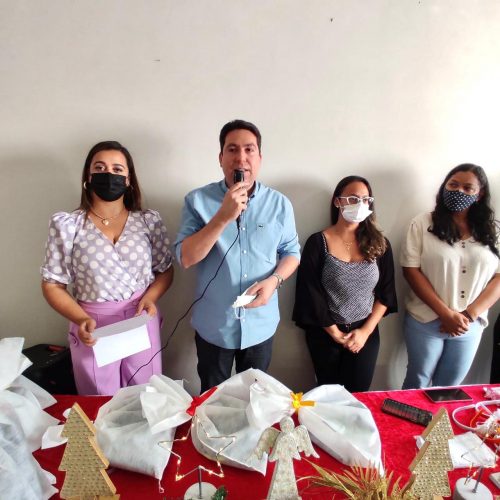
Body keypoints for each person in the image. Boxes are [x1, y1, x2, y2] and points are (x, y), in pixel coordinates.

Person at [175, 119, 300, 393]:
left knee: (254, 399)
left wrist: (275, 280)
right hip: (215, 326)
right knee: (213, 400)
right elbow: (185, 258)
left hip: (261, 324)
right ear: (221, 158)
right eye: (232, 149)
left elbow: (292, 252)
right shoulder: (197, 201)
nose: (241, 158)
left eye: (249, 149)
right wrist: (222, 217)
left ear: (259, 158)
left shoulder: (280, 204)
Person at [41, 141, 174, 395]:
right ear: (88, 177)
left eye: (117, 169)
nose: (109, 174)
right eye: (100, 168)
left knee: (147, 395)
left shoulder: (148, 222)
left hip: (139, 319)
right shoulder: (69, 226)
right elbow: (52, 284)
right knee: (100, 399)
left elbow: (165, 270)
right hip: (93, 326)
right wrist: (81, 319)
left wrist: (150, 297)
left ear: (128, 180)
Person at [293, 175, 397, 392]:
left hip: (365, 332)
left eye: (365, 199)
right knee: (327, 395)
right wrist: (335, 334)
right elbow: (310, 293)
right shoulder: (318, 242)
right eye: (352, 198)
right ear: (337, 201)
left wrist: (365, 332)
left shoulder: (380, 244)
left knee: (358, 395)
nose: (359, 204)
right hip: (325, 334)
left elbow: (386, 293)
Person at [401, 164, 499, 389]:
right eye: (453, 185)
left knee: (449, 388)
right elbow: (411, 270)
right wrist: (445, 314)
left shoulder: (493, 231)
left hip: (470, 324)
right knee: (417, 382)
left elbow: (498, 278)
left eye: (468, 188)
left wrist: (468, 315)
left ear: (480, 194)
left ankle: (441, 417)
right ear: (444, 186)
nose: (459, 191)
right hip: (426, 320)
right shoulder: (423, 223)